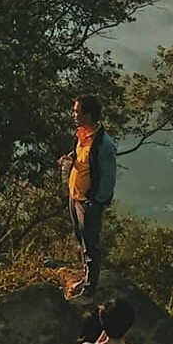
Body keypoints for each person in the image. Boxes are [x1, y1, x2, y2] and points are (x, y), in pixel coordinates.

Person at [58, 94, 117, 299]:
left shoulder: (104, 145)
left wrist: (96, 201)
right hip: (75, 196)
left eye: (77, 111)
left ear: (89, 114)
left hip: (88, 201)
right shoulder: (82, 135)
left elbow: (108, 177)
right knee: (81, 240)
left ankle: (90, 290)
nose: (73, 114)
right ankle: (87, 278)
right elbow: (81, 158)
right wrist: (70, 159)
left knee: (90, 244)